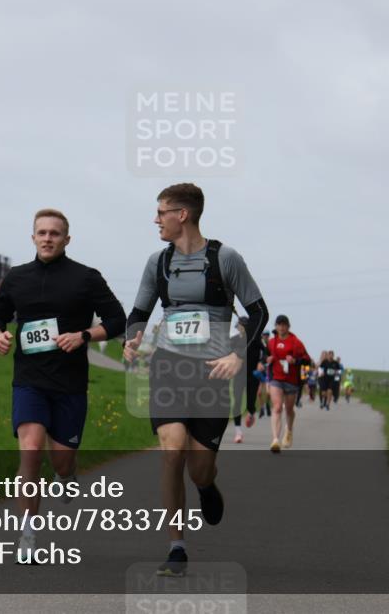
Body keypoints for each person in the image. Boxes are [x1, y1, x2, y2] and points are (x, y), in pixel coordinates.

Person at [123, 183, 268, 577]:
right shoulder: (157, 262)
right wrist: (132, 336)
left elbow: (258, 313)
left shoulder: (226, 258)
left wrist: (238, 354)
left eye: (161, 212)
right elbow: (138, 311)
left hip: (212, 373)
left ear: (181, 215)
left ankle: (207, 486)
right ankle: (176, 547)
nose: (156, 219)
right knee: (172, 451)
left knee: (199, 467)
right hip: (169, 366)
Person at [0, 208, 126, 564]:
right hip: (29, 380)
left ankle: (68, 474)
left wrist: (83, 336)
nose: (48, 238)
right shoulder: (17, 278)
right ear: (32, 237)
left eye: (55, 233)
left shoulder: (86, 278)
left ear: (67, 239)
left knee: (61, 461)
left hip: (70, 383)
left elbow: (116, 319)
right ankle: (27, 534)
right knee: (30, 450)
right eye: (41, 232)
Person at [266, 315, 310, 452]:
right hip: (276, 379)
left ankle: (289, 430)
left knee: (289, 410)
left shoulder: (295, 342)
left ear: (288, 326)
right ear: (276, 326)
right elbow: (264, 357)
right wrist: (267, 360)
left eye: (284, 324)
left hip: (292, 380)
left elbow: (307, 361)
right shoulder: (271, 342)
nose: (281, 327)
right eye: (279, 324)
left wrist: (295, 361)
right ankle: (275, 440)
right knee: (277, 407)